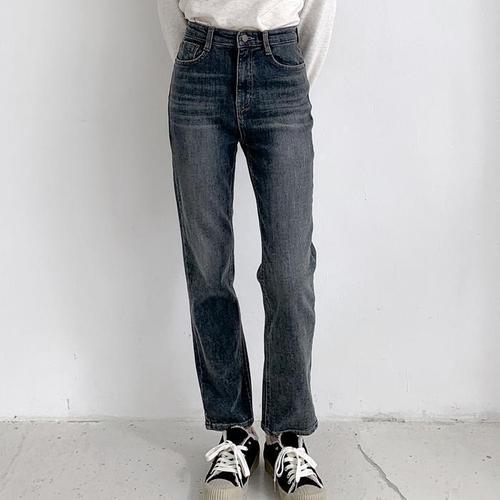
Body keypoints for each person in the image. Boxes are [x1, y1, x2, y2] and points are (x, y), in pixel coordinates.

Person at [157, 0, 336, 498]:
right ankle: (234, 431)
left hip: (280, 65)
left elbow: (321, 8)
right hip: (199, 65)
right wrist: (197, 53)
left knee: (289, 271)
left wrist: (286, 66)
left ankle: (286, 434)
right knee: (208, 266)